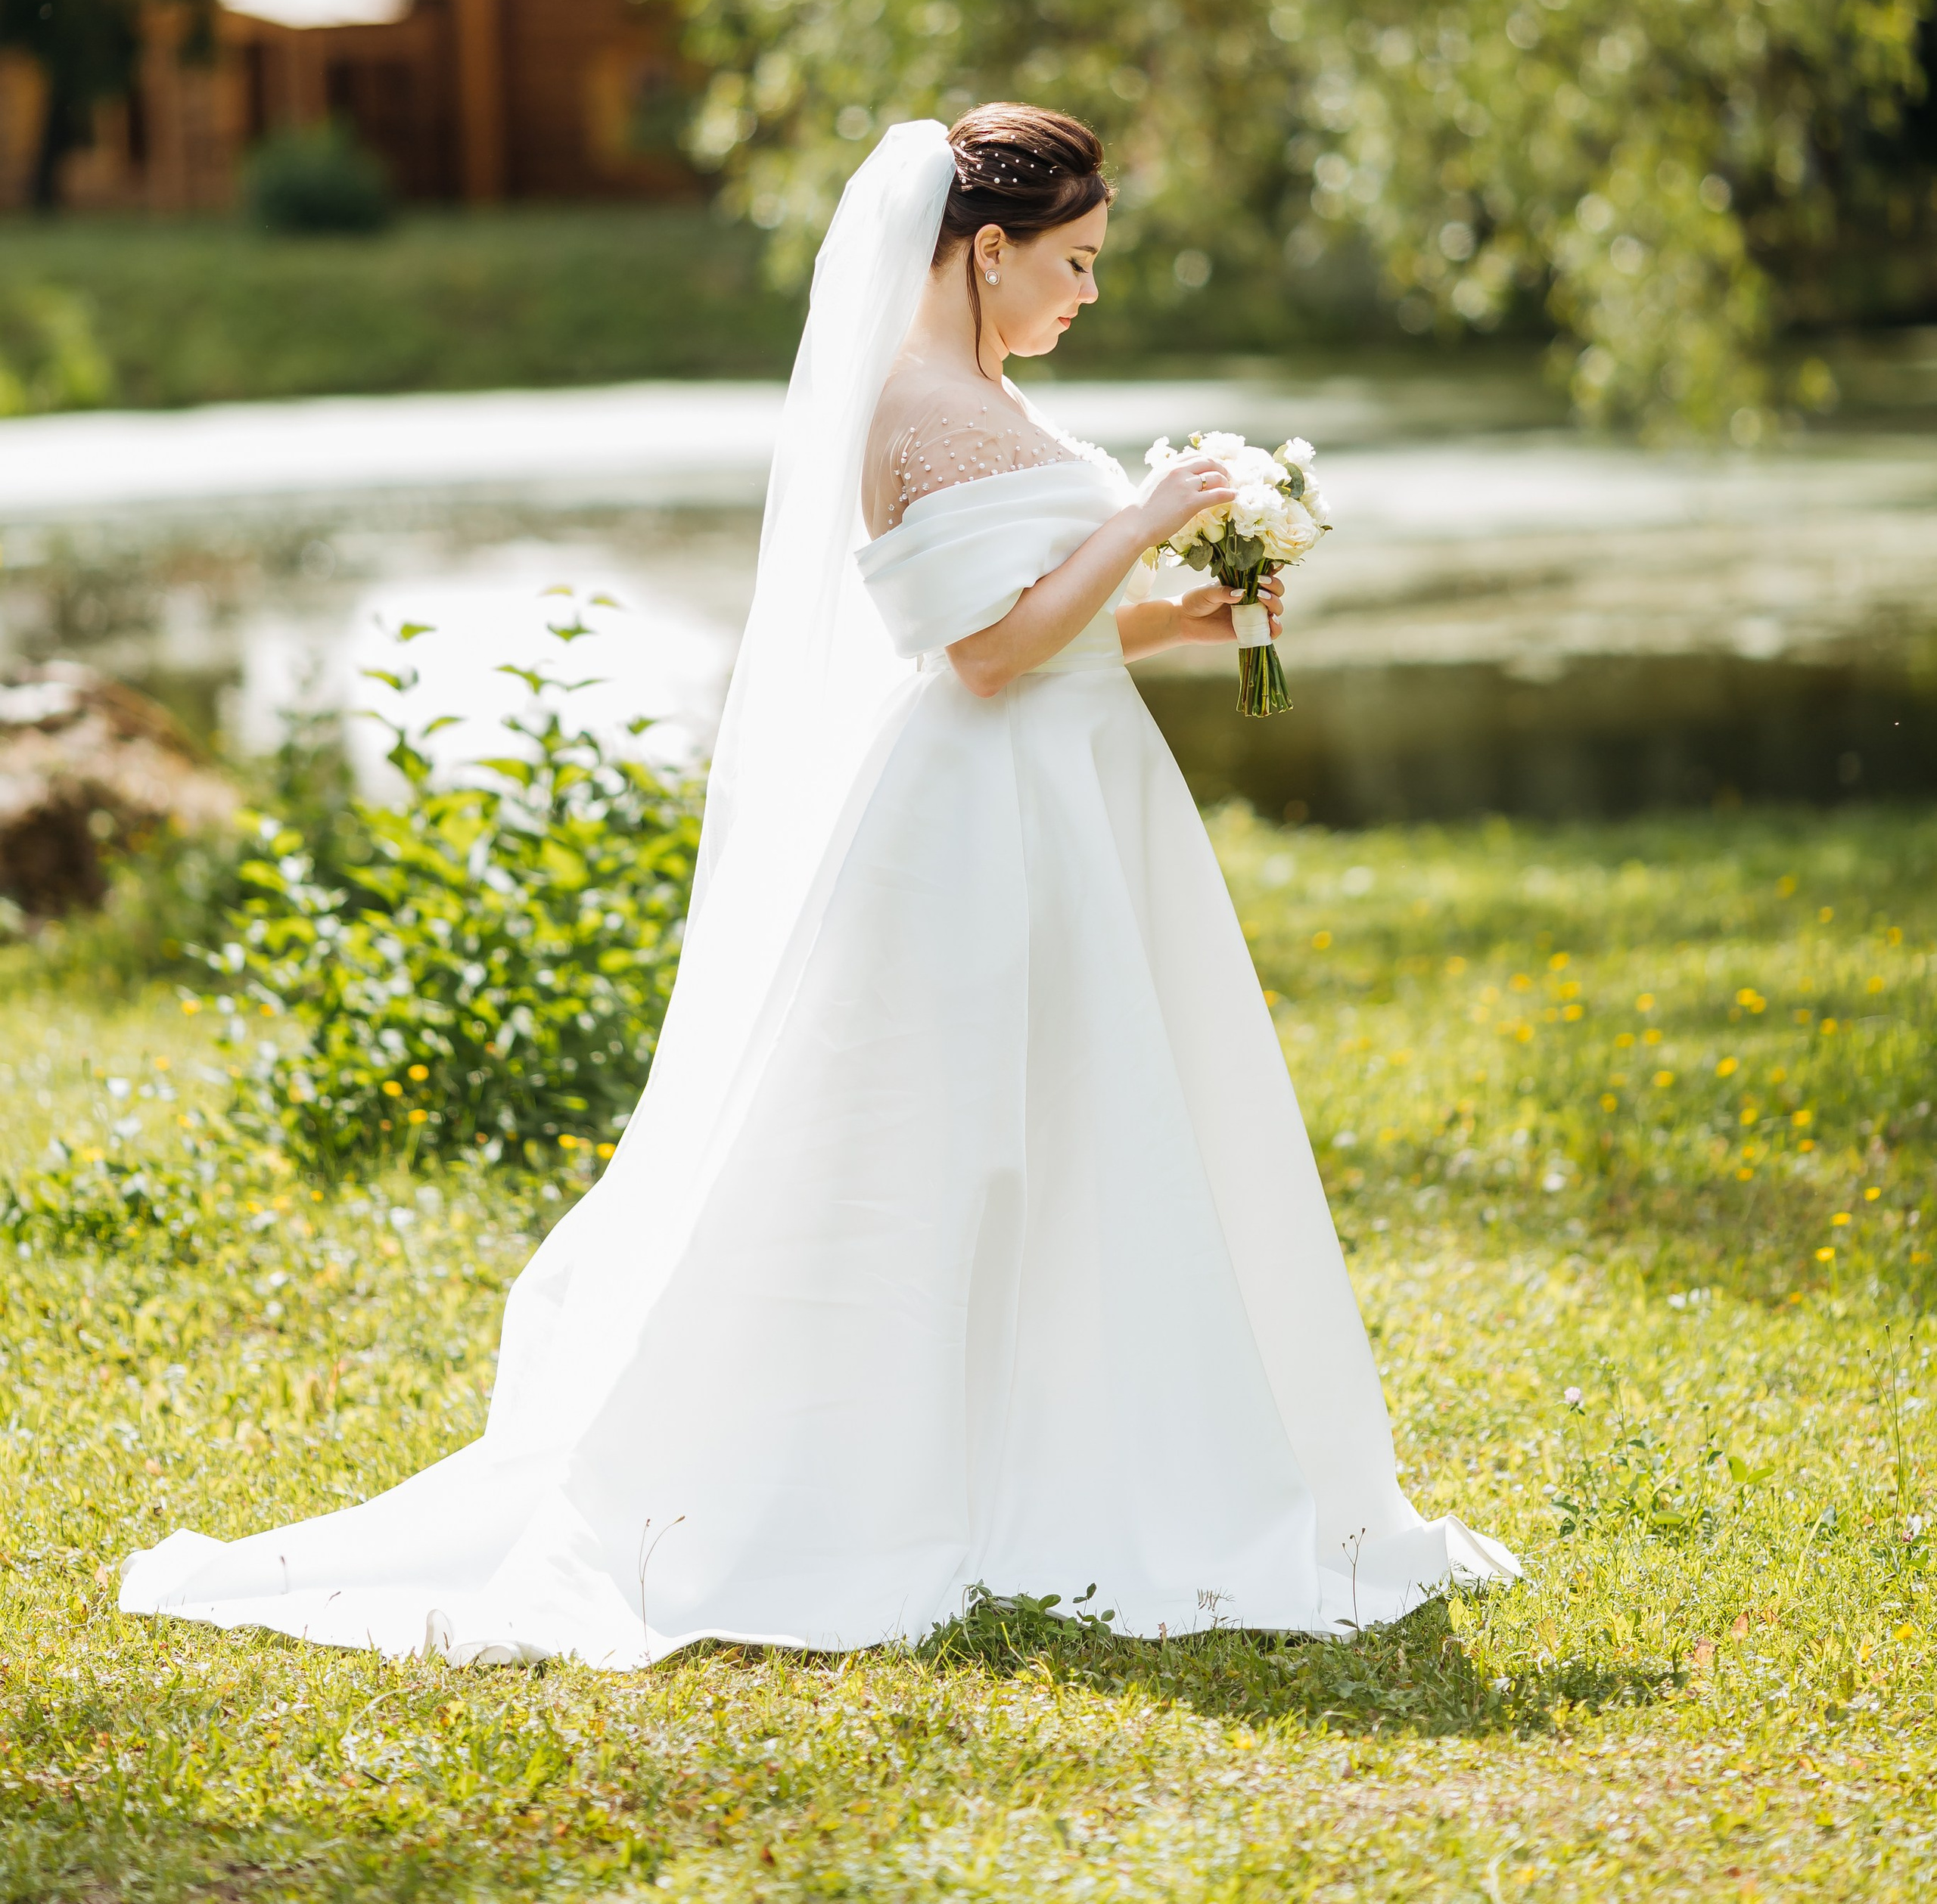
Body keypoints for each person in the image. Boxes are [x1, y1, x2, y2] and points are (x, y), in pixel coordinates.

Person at [123, 105, 1516, 1666]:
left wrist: (1167, 622)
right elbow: (979, 658)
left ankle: (1100, 1450)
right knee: (966, 1141)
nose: (1087, 293)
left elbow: (1029, 616)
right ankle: (929, 1480)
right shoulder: (910, 411)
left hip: (1076, 797)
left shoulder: (986, 388)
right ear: (984, 250)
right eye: (1073, 262)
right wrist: (1133, 523)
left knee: (1099, 1125)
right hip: (985, 817)